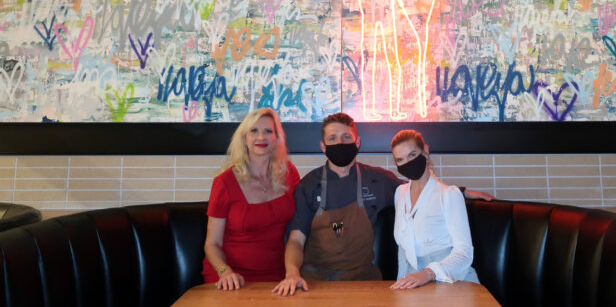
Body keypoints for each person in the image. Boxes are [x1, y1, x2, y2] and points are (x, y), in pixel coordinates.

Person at [272, 113, 491, 296]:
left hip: (364, 281)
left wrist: (461, 192)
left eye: (347, 137)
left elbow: (420, 187)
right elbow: (296, 240)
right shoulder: (308, 185)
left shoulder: (377, 180)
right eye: (333, 138)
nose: (340, 143)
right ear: (323, 146)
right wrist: (292, 273)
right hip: (316, 281)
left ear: (357, 143)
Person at [202, 107, 300, 290]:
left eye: (268, 131)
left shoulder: (290, 175)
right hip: (230, 277)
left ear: (277, 138)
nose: (261, 137)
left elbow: (304, 225)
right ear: (244, 139)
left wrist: (338, 228)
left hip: (279, 276)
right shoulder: (224, 183)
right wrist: (225, 271)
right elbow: (212, 244)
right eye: (253, 131)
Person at [389, 129, 480, 289]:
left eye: (412, 155)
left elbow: (464, 253)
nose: (407, 162)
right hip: (415, 285)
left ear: (425, 151)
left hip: (453, 281)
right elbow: (403, 251)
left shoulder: (449, 194)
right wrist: (400, 286)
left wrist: (428, 273)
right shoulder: (400, 193)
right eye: (400, 159)